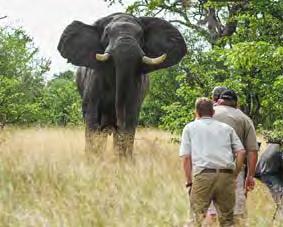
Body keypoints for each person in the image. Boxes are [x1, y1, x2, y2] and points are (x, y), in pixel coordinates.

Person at [179, 97, 246, 227]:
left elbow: (186, 157)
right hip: (226, 175)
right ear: (213, 112)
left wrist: (189, 182)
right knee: (227, 220)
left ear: (196, 112)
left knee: (196, 218)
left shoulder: (190, 127)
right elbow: (241, 152)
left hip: (203, 175)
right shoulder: (226, 128)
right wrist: (234, 174)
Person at [212, 89, 259, 226]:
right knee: (236, 214)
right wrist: (250, 176)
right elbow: (252, 151)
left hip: (206, 169)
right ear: (236, 103)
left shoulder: (208, 114)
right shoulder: (244, 118)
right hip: (234, 171)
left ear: (220, 100)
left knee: (209, 214)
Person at [255, 142, 283, 221]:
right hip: (269, 172)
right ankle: (278, 222)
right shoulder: (278, 142)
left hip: (270, 170)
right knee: (281, 200)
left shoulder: (276, 140)